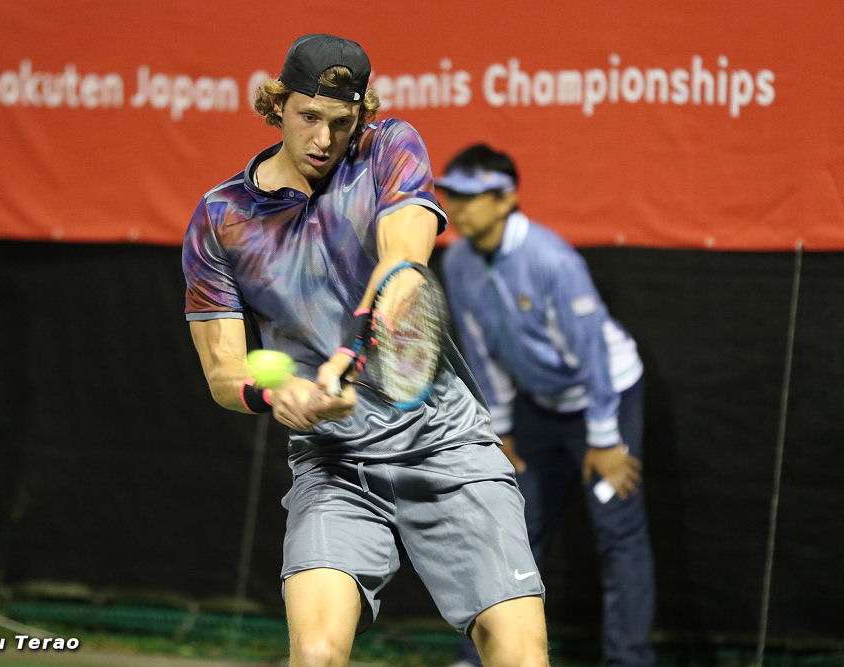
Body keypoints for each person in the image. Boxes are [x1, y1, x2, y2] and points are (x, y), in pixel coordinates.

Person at [182, 35, 549, 667]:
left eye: (341, 121)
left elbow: (404, 260)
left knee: (520, 655)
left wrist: (356, 343)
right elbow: (223, 371)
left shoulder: (388, 147)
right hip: (334, 462)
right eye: (309, 117)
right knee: (316, 654)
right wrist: (274, 393)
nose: (324, 139)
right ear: (277, 105)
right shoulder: (222, 218)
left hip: (446, 445)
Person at [437, 144, 656, 667]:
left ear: (506, 198)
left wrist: (605, 438)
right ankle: (479, 657)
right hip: (537, 407)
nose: (458, 208)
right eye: (451, 196)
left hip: (605, 401)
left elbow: (594, 355)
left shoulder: (552, 260)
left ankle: (629, 661)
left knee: (618, 532)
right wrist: (502, 429)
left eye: (470, 196)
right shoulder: (459, 261)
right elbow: (480, 351)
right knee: (511, 529)